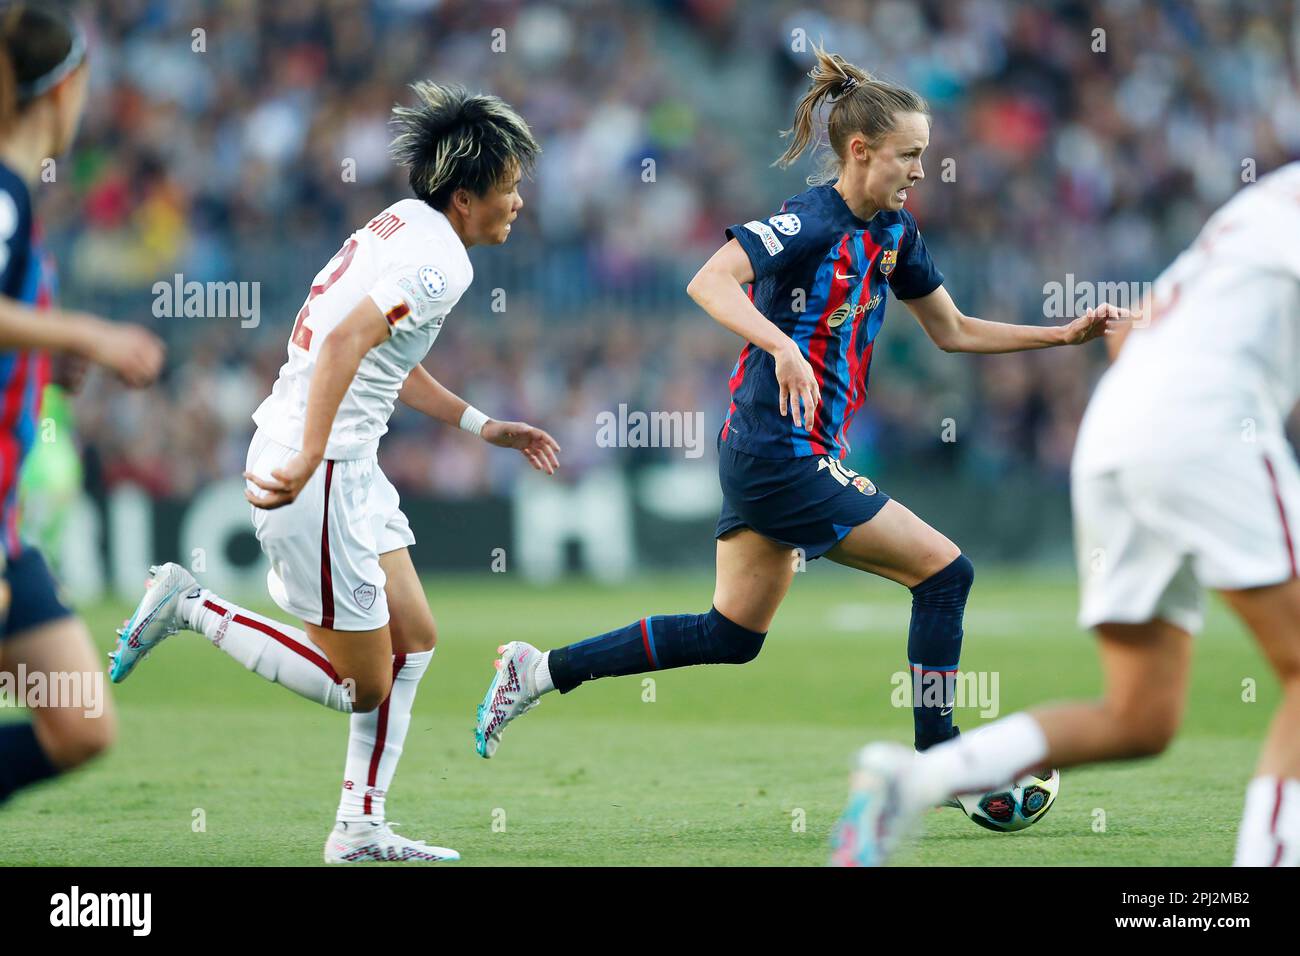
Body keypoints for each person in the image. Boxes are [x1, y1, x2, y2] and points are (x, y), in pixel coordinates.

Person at [474, 46, 1124, 766]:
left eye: (923, 156)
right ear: (859, 149)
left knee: (731, 636)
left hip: (784, 451)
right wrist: (781, 345)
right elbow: (710, 282)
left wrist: (1062, 335)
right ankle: (941, 757)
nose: (920, 170)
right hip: (779, 451)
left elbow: (954, 330)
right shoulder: (810, 221)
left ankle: (536, 671)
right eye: (908, 155)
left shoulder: (895, 234)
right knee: (946, 574)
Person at [110, 82, 560, 863]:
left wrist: (481, 425)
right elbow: (348, 341)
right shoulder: (441, 262)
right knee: (364, 685)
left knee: (414, 639)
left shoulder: (402, 228)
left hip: (339, 466)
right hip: (317, 472)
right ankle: (191, 605)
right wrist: (314, 453)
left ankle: (359, 828)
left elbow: (387, 356)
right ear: (464, 196)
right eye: (509, 186)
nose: (519, 200)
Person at [833, 161, 1300, 868]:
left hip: (1118, 428)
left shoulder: (1253, 209)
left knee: (1138, 718)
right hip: (1206, 426)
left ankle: (917, 777)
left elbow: (1127, 334)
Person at [0, 3, 164, 807]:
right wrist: (88, 335)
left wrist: (43, 357)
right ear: (64, 89)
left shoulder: (18, 200)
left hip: (7, 521)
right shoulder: (1, 193)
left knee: (80, 723)